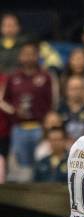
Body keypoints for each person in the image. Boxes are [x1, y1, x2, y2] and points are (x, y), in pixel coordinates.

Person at [2, 40, 54, 181]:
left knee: (41, 165)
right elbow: (3, 101)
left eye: (32, 54)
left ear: (37, 56)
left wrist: (48, 124)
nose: (29, 57)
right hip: (19, 129)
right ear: (20, 56)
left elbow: (53, 103)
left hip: (40, 127)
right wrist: (14, 111)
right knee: (22, 171)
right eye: (25, 54)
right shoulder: (13, 77)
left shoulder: (46, 76)